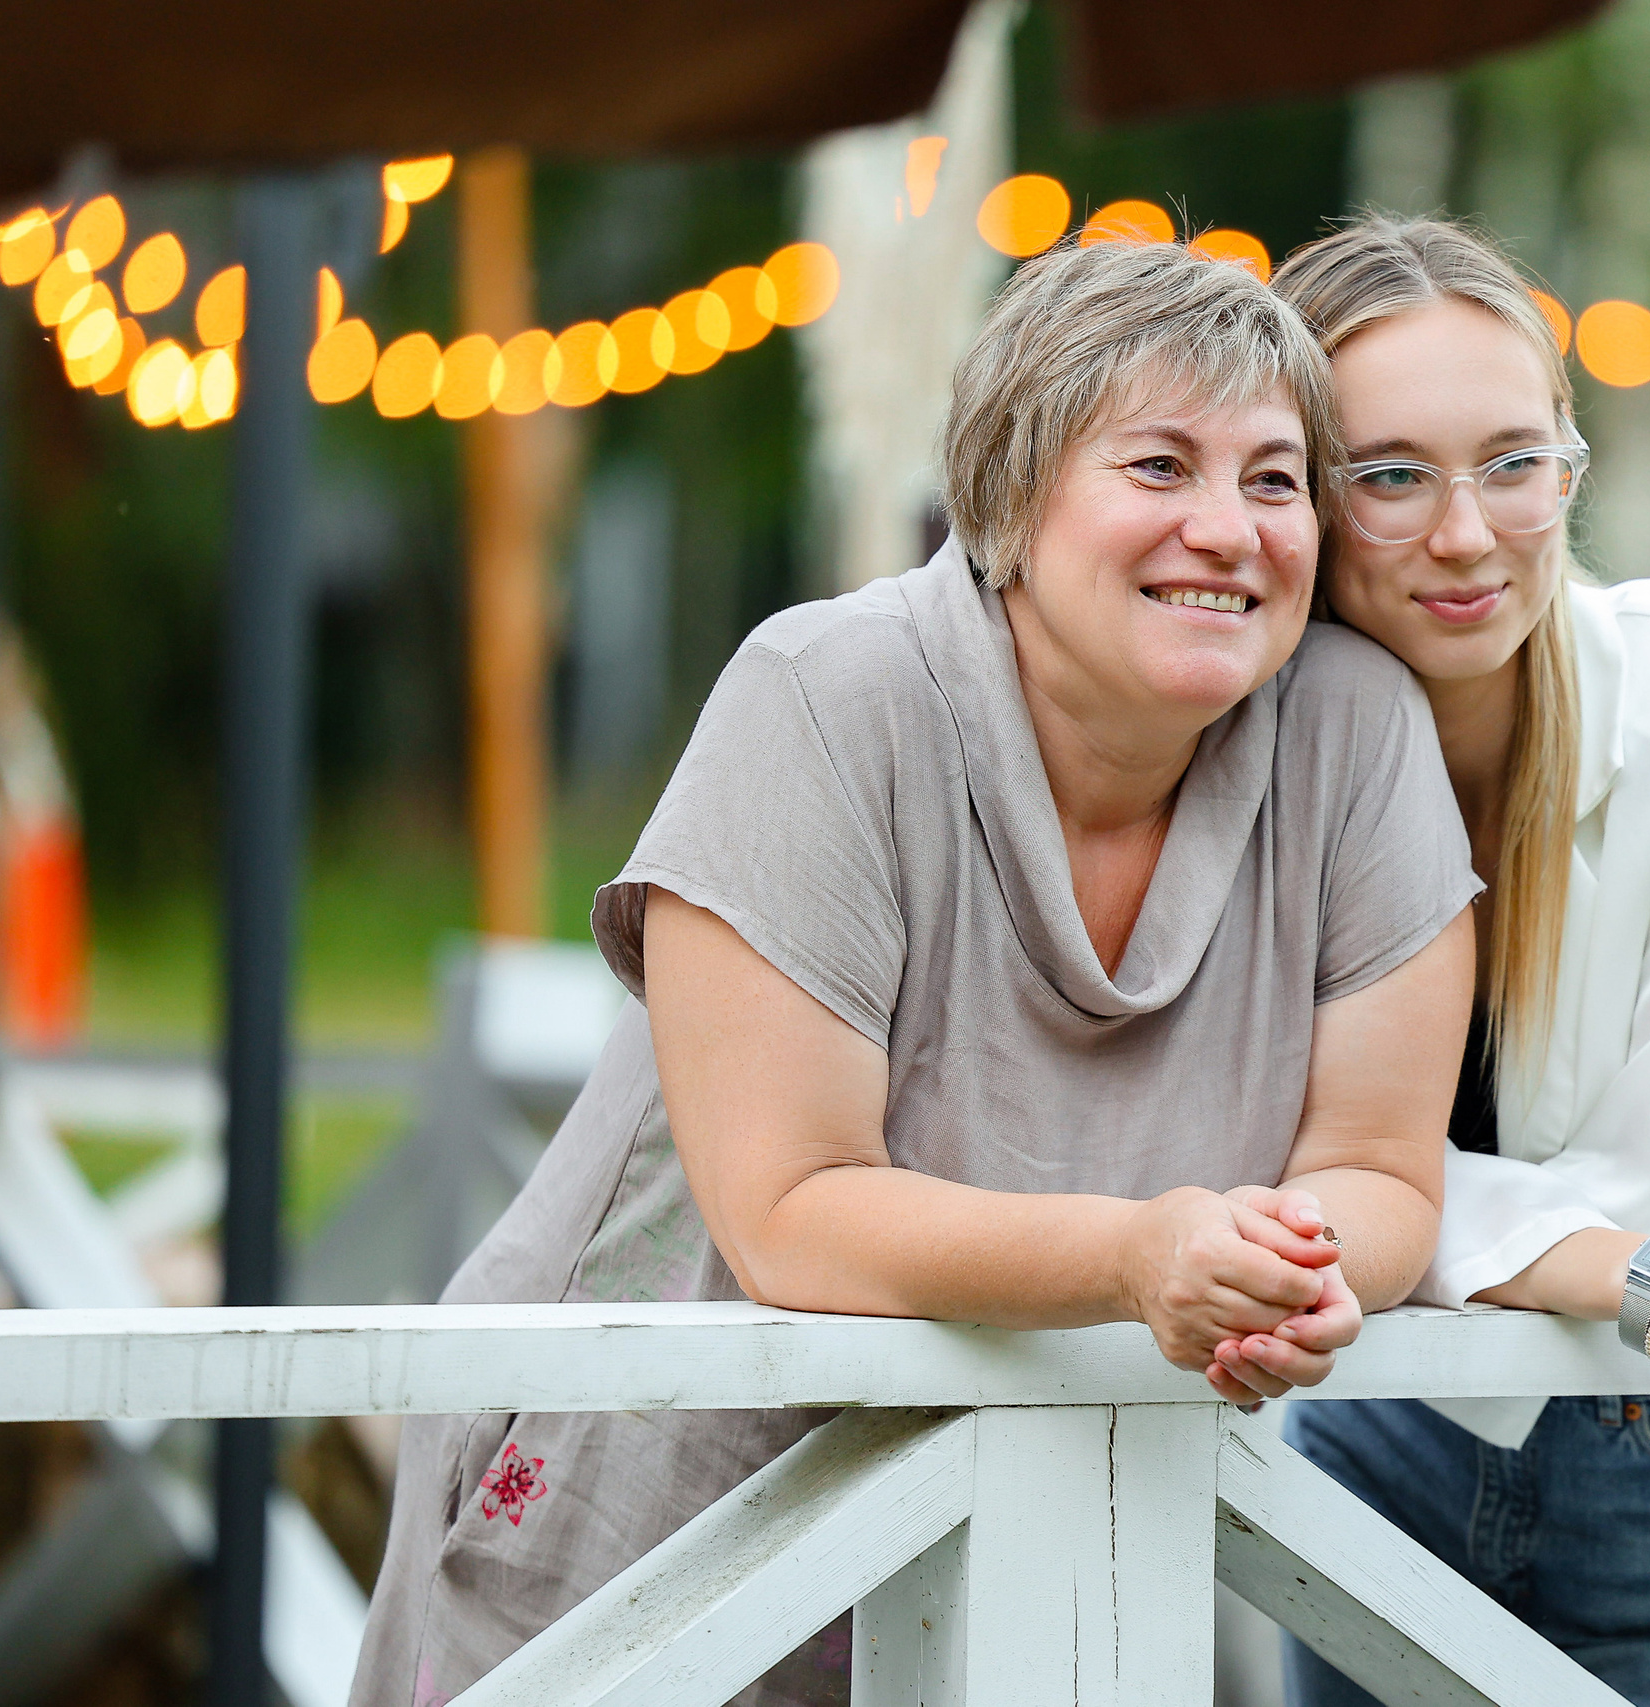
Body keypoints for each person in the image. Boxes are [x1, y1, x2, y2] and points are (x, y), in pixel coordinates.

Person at [350, 240, 1482, 1706]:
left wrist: (1297, 1268)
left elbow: (1385, 1169)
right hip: (647, 1519)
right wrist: (1144, 1254)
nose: (1228, 526)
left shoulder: (1356, 735)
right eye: (1158, 466)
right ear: (1010, 494)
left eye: (1274, 482)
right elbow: (791, 1216)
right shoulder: (825, 697)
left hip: (1057, 1539)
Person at [1262, 216, 1650, 1705]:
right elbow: (1236, 1154)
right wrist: (1618, 1266)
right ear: (1291, 491)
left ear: (1571, 464)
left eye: (1513, 461)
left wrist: (1382, 1200)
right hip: (1385, 1421)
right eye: (1392, 473)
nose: (1468, 531)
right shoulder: (1236, 738)